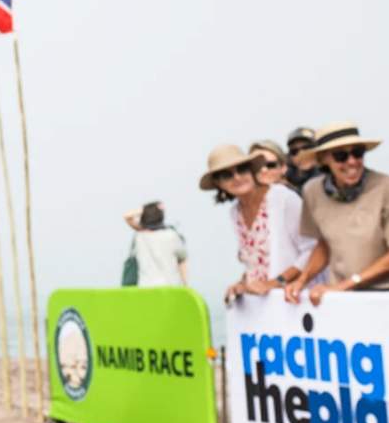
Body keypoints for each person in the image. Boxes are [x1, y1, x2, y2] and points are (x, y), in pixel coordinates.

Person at [286, 122, 389, 304]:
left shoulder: (385, 187)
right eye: (341, 156)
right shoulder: (312, 191)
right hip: (339, 298)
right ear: (323, 159)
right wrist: (302, 280)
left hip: (382, 296)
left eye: (357, 153)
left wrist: (347, 284)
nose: (352, 161)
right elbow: (324, 244)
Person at [203, 143, 313, 303]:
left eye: (241, 169)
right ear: (219, 184)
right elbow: (255, 261)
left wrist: (276, 282)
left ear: (251, 170)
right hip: (264, 305)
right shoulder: (235, 212)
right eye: (227, 175)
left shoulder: (283, 198)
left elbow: (311, 250)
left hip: (297, 300)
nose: (237, 177)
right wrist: (242, 284)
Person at [123, 201, 188, 287]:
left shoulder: (141, 236)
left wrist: (145, 210)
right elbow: (182, 260)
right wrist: (185, 284)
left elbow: (127, 216)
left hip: (146, 287)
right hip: (171, 286)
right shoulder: (172, 235)